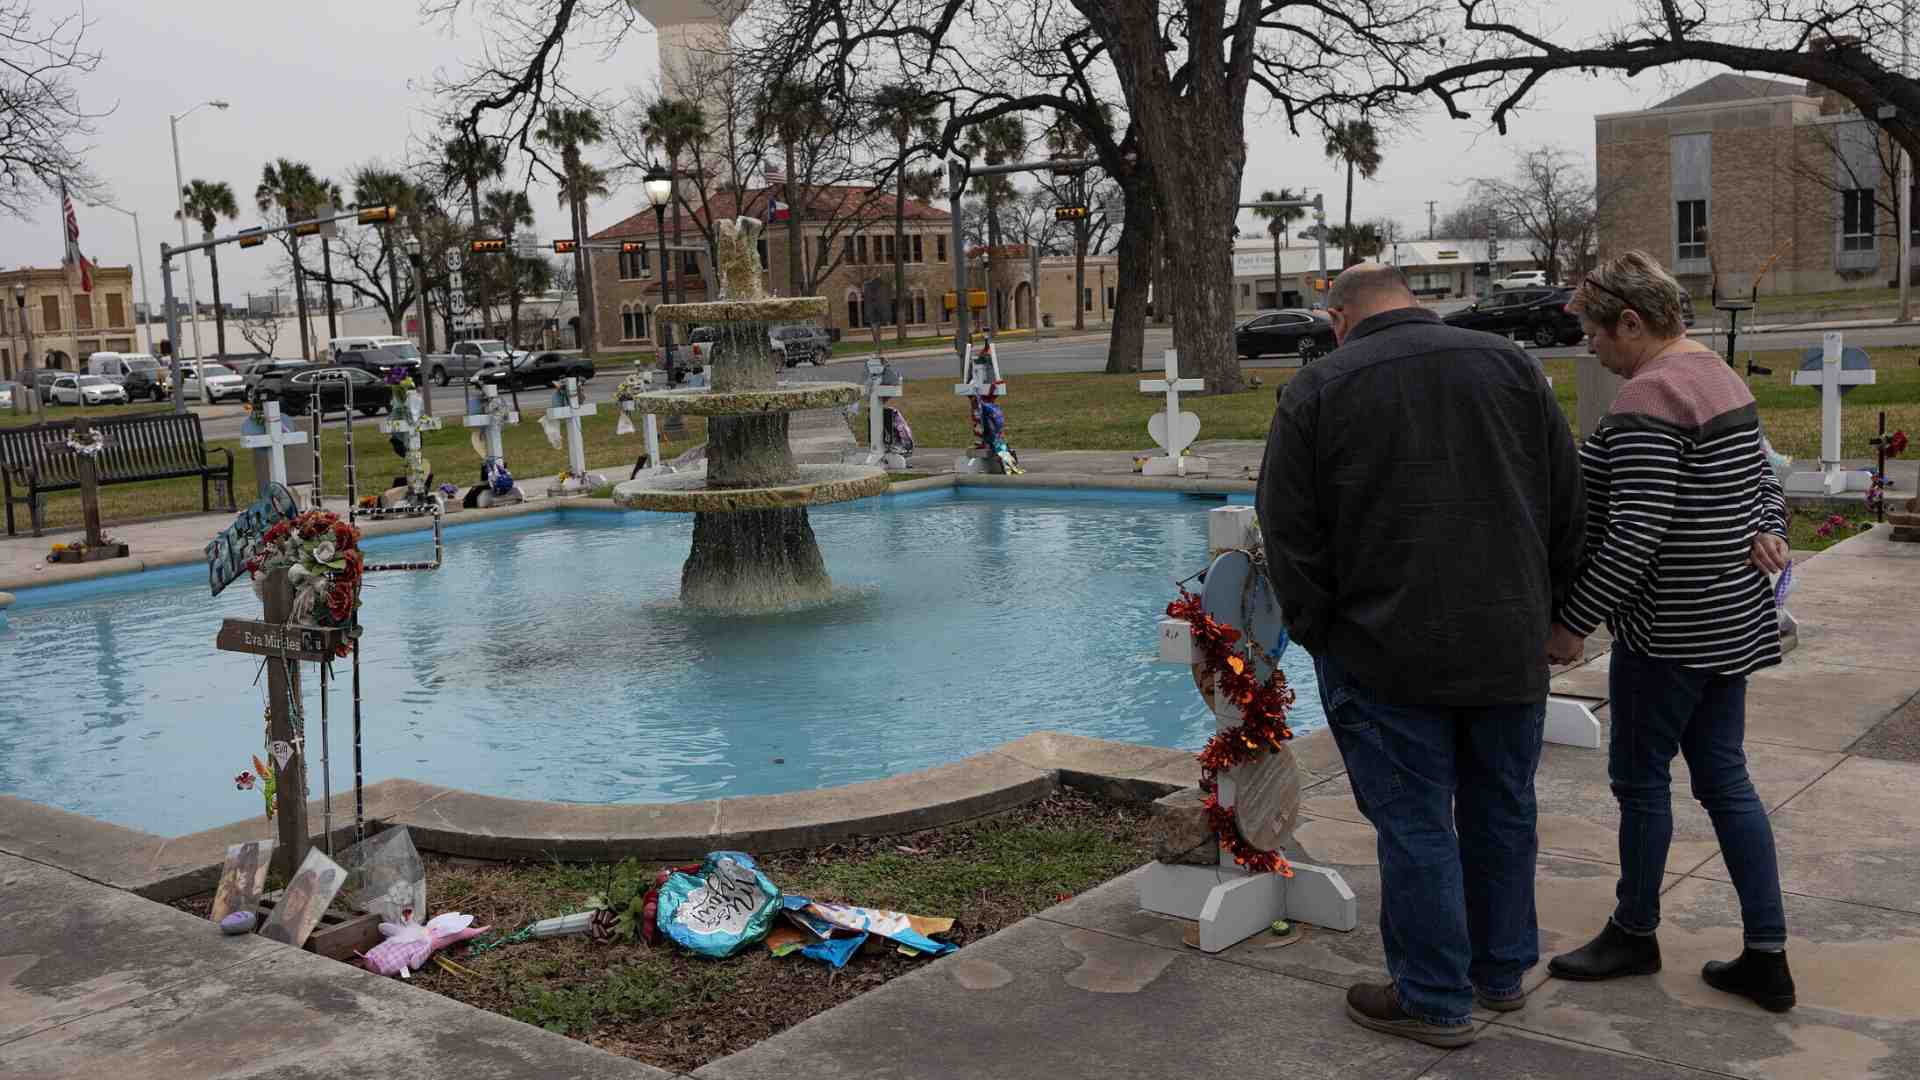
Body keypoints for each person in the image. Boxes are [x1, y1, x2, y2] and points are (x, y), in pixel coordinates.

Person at [1259, 263, 1585, 1048]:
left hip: (1384, 652)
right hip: (1507, 641)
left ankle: (1435, 997)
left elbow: (1288, 531)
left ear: (1338, 317)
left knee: (1415, 826)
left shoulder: (1318, 389)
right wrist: (1560, 614)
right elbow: (1568, 497)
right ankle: (1499, 972)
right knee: (1502, 809)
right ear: (1416, 301)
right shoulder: (1513, 366)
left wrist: (1321, 633)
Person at [1545, 251, 1795, 1012]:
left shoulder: (1652, 396)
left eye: (1595, 330)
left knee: (1640, 782)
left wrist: (1572, 622)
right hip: (1731, 625)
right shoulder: (1721, 377)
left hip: (1670, 637)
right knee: (1726, 780)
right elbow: (1765, 482)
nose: (1591, 346)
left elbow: (1635, 533)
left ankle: (1634, 932)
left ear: (1631, 321)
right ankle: (1767, 955)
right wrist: (1771, 530)